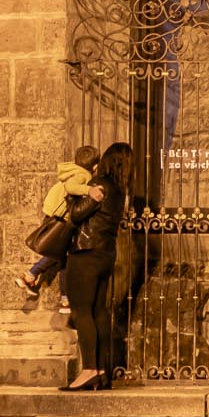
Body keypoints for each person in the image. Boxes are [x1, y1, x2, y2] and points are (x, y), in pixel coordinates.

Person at [59, 142, 131, 391]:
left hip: (85, 253)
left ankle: (89, 369)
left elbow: (76, 214)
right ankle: (100, 371)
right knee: (99, 310)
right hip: (105, 255)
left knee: (81, 311)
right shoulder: (120, 190)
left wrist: (73, 194)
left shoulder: (100, 184)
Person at [20, 144, 100, 298]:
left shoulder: (74, 170)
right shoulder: (82, 175)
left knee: (62, 256)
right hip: (61, 219)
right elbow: (71, 187)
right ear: (95, 166)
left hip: (53, 214)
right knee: (58, 253)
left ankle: (61, 295)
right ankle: (31, 275)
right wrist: (89, 190)